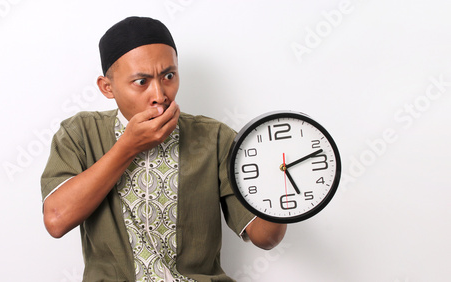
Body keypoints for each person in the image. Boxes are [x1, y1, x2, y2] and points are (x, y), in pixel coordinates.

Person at [41, 16, 286, 281]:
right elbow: (56, 220)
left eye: (169, 76)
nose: (160, 94)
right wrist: (128, 147)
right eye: (141, 82)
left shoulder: (214, 137)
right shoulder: (80, 134)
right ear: (107, 87)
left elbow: (266, 238)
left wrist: (281, 174)